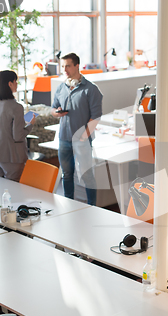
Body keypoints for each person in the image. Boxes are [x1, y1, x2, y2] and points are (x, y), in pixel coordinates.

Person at [51, 53, 102, 206]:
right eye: (63, 66)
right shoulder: (62, 87)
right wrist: (57, 112)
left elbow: (96, 116)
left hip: (82, 141)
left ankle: (93, 206)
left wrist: (83, 137)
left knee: (87, 176)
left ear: (77, 66)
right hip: (64, 139)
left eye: (67, 65)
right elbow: (53, 109)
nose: (64, 69)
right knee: (67, 175)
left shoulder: (91, 89)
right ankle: (69, 205)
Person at [0, 70, 35, 182]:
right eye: (15, 81)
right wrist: (30, 125)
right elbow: (18, 136)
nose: (17, 84)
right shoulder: (16, 107)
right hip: (13, 156)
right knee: (14, 190)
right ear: (10, 84)